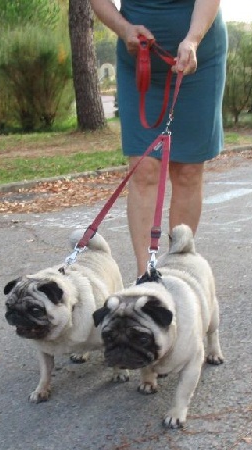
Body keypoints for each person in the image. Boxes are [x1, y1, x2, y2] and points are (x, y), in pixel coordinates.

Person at [88, 0, 227, 280]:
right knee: (143, 168)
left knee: (187, 170)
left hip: (198, 59)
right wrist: (124, 28)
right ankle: (146, 279)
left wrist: (193, 38)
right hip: (138, 58)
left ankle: (177, 272)